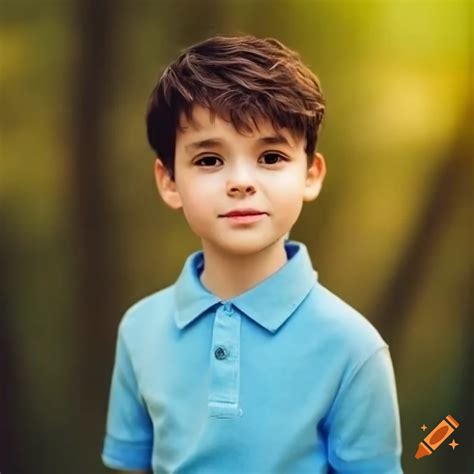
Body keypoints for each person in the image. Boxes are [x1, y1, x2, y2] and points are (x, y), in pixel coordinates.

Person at [101, 34, 403, 473]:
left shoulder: (353, 348)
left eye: (271, 156)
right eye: (209, 160)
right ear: (168, 180)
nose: (241, 181)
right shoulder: (140, 329)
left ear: (310, 175)